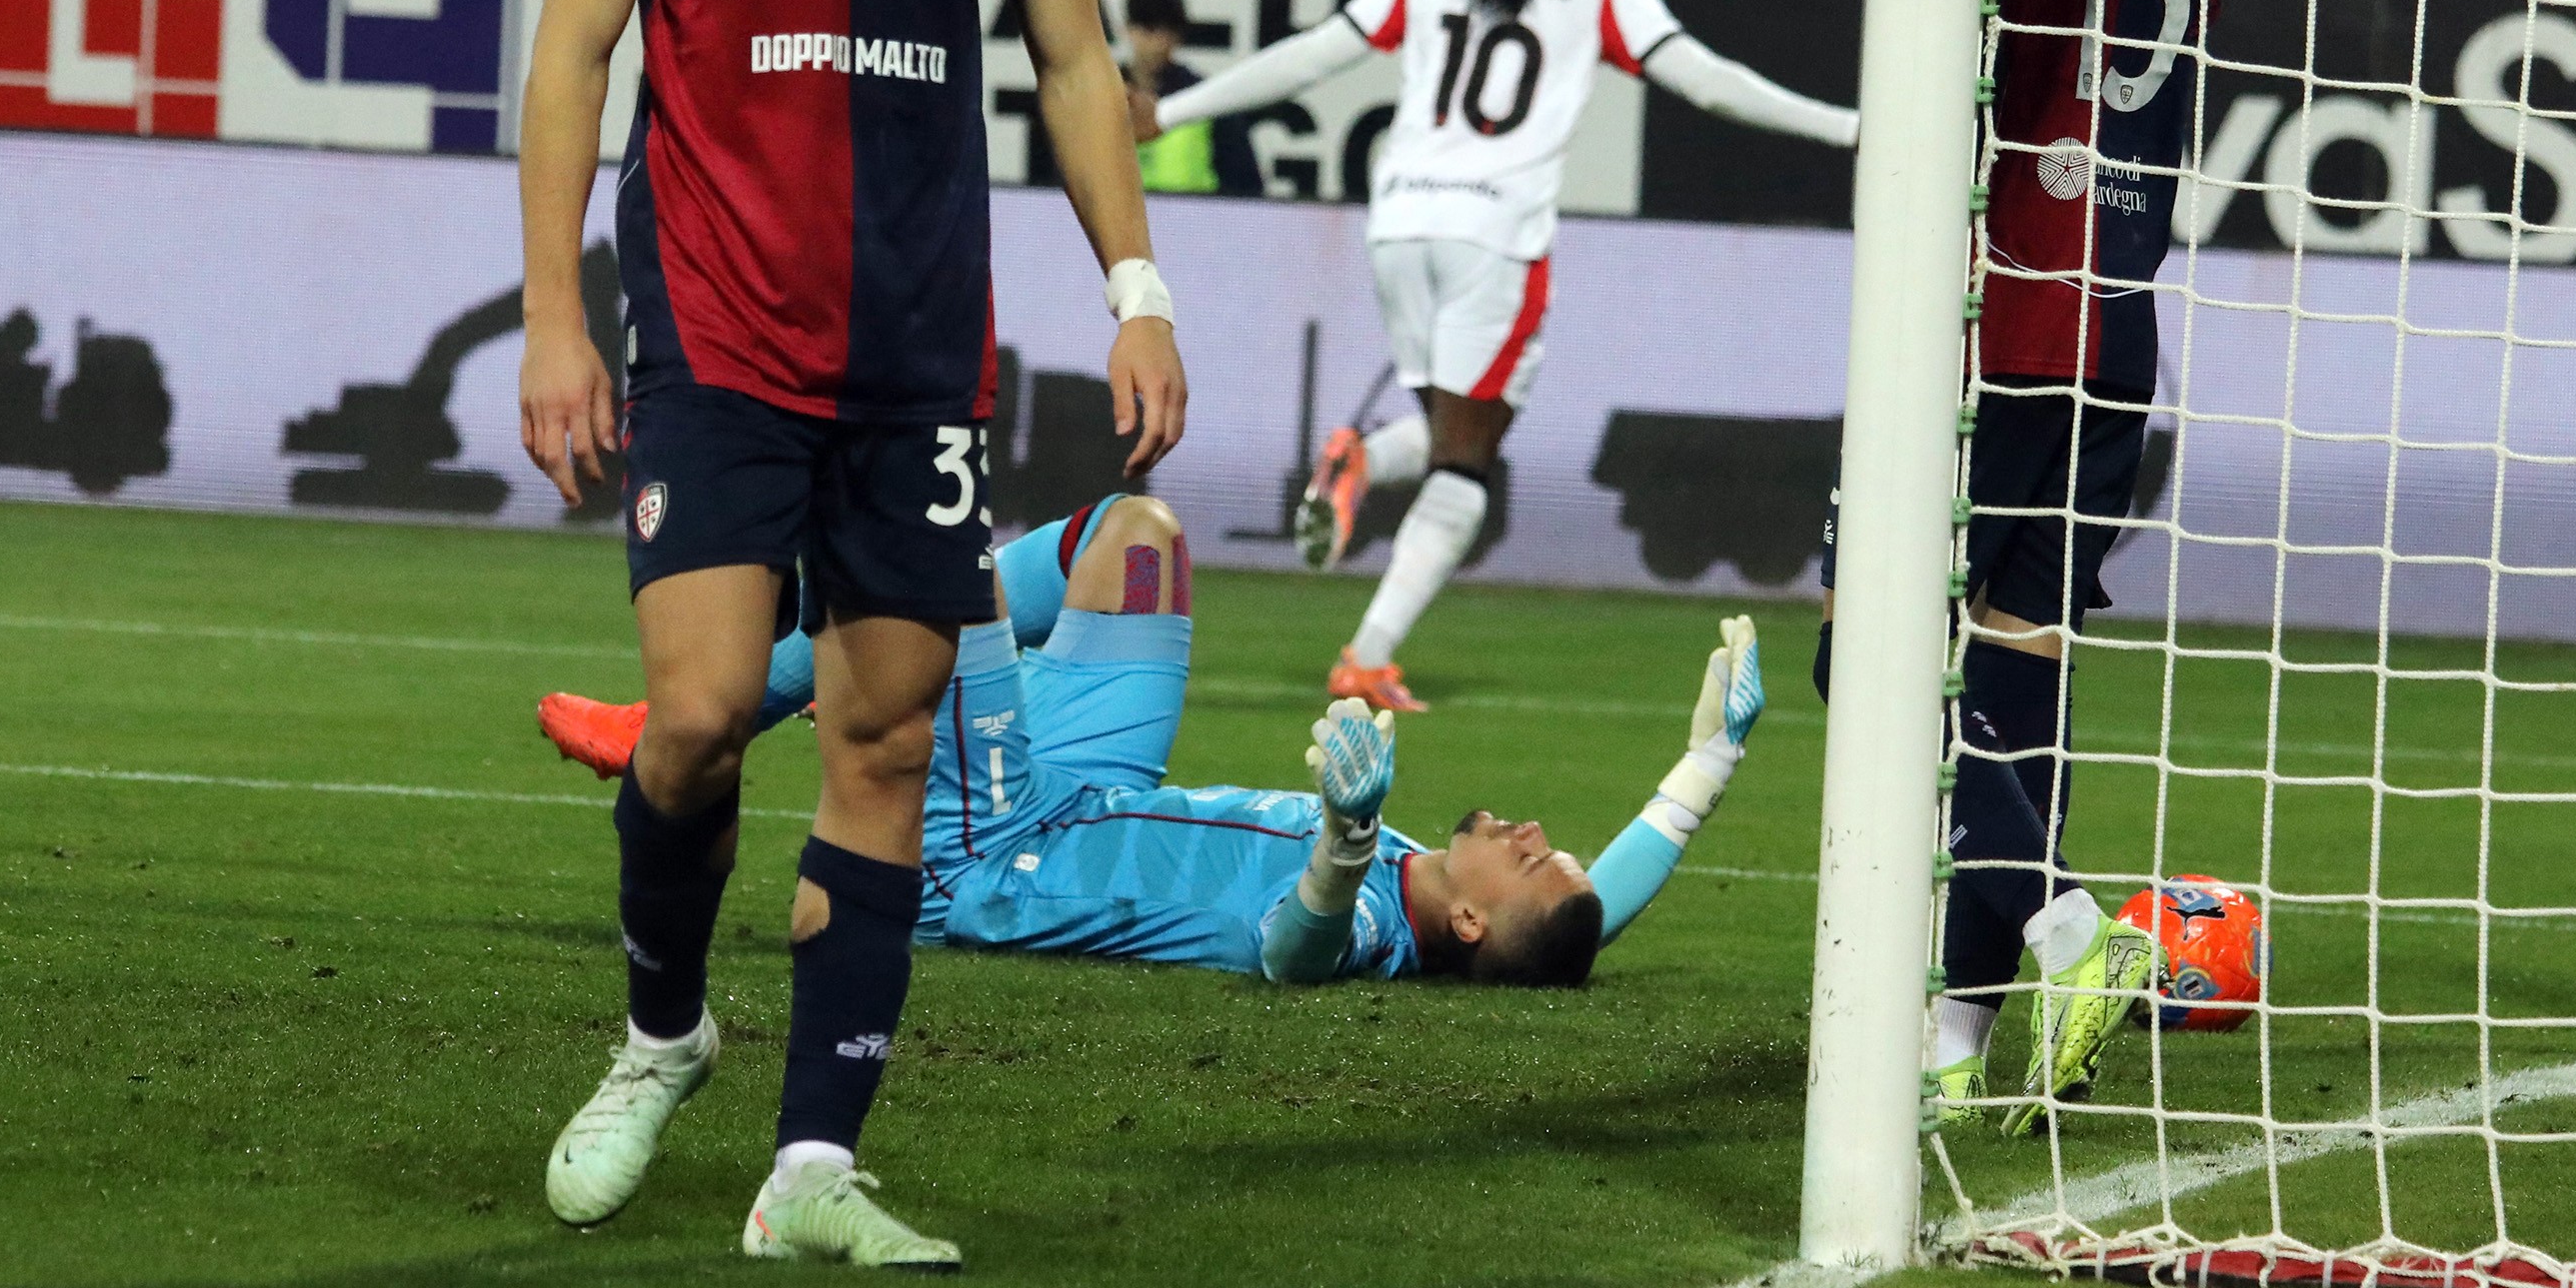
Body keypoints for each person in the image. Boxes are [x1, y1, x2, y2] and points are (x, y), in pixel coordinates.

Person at [516, 0, 1185, 1269]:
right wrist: (558, 315)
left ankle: (810, 1167)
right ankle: (665, 1029)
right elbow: (571, 56)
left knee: (883, 738)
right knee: (704, 714)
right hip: (717, 332)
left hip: (912, 356)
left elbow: (1070, 61)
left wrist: (1137, 287)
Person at [1136, 0, 1856, 710]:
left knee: (1453, 434)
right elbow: (1705, 80)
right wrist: (1846, 125)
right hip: (1494, 234)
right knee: (1467, 464)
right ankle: (1366, 651)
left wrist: (1173, 112)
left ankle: (1355, 463)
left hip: (1399, 220)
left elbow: (1312, 55)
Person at [1815, 0, 2215, 1137]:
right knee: (2019, 657)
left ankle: (2059, 920)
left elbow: (1956, 61)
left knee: (1871, 648)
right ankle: (1955, 1028)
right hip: (2115, 300)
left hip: (1988, 306)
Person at [530, 500, 1767, 983]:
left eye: (1535, 863)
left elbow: (1294, 949)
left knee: (928, 553)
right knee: (1137, 535)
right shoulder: (1461, 898)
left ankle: (708, 710)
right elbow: (1598, 903)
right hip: (1097, 788)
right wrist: (1706, 765)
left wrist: (1339, 848)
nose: (1546, 839)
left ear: (1471, 925)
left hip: (999, 855)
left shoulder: (1378, 925)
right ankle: (712, 715)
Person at [1123, 0, 1257, 196]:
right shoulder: (1099, 96)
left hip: (1192, 224)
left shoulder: (1207, 99)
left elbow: (1245, 184)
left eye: (1168, 32)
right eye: (1149, 29)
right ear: (1128, 29)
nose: (1159, 44)